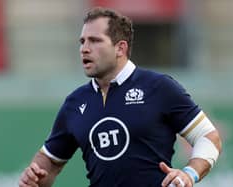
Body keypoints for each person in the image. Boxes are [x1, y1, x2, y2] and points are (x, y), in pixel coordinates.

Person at [19, 7, 222, 187]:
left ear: (120, 48)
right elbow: (51, 160)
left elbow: (209, 137)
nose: (84, 48)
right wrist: (35, 177)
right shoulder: (75, 102)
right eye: (82, 41)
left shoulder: (159, 87)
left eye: (95, 40)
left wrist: (189, 174)